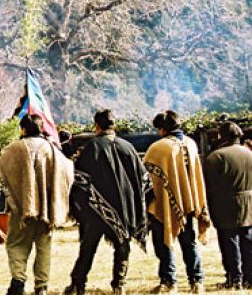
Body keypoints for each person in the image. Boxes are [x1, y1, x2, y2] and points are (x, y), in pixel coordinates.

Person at [63, 109, 151, 295]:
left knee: (88, 248)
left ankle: (78, 284)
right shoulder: (128, 147)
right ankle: (119, 284)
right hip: (124, 208)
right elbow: (144, 180)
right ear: (114, 125)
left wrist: (81, 207)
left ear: (97, 126)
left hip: (97, 209)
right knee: (123, 246)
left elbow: (79, 179)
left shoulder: (92, 147)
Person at [0, 114, 73, 295]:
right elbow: (68, 171)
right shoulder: (53, 150)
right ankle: (42, 286)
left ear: (23, 129)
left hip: (21, 210)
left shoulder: (13, 149)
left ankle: (18, 280)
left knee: (16, 244)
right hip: (47, 210)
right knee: (43, 246)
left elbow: (2, 169)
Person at [144, 110, 210, 293]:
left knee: (164, 243)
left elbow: (146, 180)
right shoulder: (191, 143)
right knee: (189, 242)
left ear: (163, 129)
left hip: (163, 203)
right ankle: (197, 281)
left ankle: (169, 281)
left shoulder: (158, 148)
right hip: (189, 203)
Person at [203, 121, 252, 290]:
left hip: (225, 204)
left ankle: (234, 279)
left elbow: (209, 185)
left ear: (220, 136)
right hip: (249, 203)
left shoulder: (216, 157)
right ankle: (249, 278)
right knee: (247, 240)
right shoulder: (249, 153)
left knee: (229, 242)